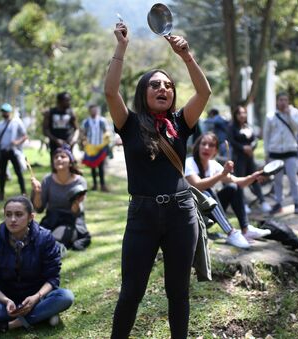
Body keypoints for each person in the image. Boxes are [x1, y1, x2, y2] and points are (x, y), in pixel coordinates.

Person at [104, 21, 211, 338]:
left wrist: (186, 56)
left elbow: (204, 92)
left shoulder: (182, 121)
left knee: (177, 292)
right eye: (155, 85)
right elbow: (110, 91)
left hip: (181, 214)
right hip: (142, 215)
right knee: (131, 292)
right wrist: (121, 48)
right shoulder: (129, 123)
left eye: (168, 85)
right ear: (143, 93)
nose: (163, 88)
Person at [0, 196, 74, 335]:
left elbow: (52, 278)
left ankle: (11, 325)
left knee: (65, 296)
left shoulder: (45, 238)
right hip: (5, 302)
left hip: (37, 298)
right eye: (8, 214)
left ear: (31, 217)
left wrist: (36, 297)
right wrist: (6, 301)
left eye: (18, 214)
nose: (12, 219)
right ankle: (41, 316)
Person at [186, 132, 270, 249]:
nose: (206, 147)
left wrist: (253, 177)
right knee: (206, 192)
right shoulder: (189, 163)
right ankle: (231, 232)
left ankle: (245, 229)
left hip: (207, 214)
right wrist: (222, 174)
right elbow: (198, 185)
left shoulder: (213, 165)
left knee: (233, 188)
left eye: (211, 145)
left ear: (215, 151)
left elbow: (237, 182)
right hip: (190, 216)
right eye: (203, 144)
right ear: (197, 146)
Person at [31, 146, 91, 251]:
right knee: (35, 238)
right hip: (51, 219)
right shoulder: (47, 180)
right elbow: (39, 209)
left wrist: (76, 202)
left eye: (63, 157)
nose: (59, 159)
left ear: (71, 162)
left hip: (71, 220)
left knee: (53, 239)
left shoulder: (80, 182)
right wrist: (37, 193)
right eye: (56, 157)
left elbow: (76, 212)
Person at [263, 93, 298, 215]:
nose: (283, 102)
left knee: (293, 178)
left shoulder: (295, 113)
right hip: (275, 152)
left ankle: (296, 203)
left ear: (288, 101)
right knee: (277, 180)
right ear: (277, 101)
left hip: (291, 151)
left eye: (285, 100)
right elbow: (266, 136)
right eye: (281, 100)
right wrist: (267, 153)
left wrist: (289, 115)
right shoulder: (270, 116)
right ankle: (279, 203)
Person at [228, 104, 271, 213]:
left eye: (244, 113)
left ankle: (262, 201)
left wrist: (251, 147)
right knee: (241, 181)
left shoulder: (248, 126)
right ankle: (243, 204)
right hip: (239, 158)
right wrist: (243, 148)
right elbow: (231, 141)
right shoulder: (232, 127)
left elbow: (255, 139)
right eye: (239, 113)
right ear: (235, 115)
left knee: (255, 179)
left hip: (250, 158)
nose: (242, 115)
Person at [0, 103, 28, 201]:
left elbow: (25, 136)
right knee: (2, 174)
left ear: (10, 112)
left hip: (13, 151)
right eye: (3, 111)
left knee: (18, 172)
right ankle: (1, 194)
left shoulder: (16, 122)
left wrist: (17, 142)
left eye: (6, 111)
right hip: (3, 151)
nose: (4, 113)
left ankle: (24, 192)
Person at [43, 92, 80, 165]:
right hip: (55, 145)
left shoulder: (71, 112)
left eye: (69, 100)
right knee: (56, 166)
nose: (69, 102)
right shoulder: (50, 112)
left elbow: (77, 129)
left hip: (68, 145)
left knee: (69, 167)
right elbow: (45, 130)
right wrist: (56, 140)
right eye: (67, 100)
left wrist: (74, 139)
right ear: (60, 101)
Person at [81, 104, 110, 192]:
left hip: (101, 147)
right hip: (91, 148)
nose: (94, 111)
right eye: (92, 110)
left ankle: (102, 185)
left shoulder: (102, 120)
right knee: (92, 166)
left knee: (101, 167)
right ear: (89, 111)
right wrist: (83, 143)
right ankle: (94, 185)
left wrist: (107, 141)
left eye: (95, 110)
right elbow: (83, 133)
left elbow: (106, 131)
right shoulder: (86, 122)